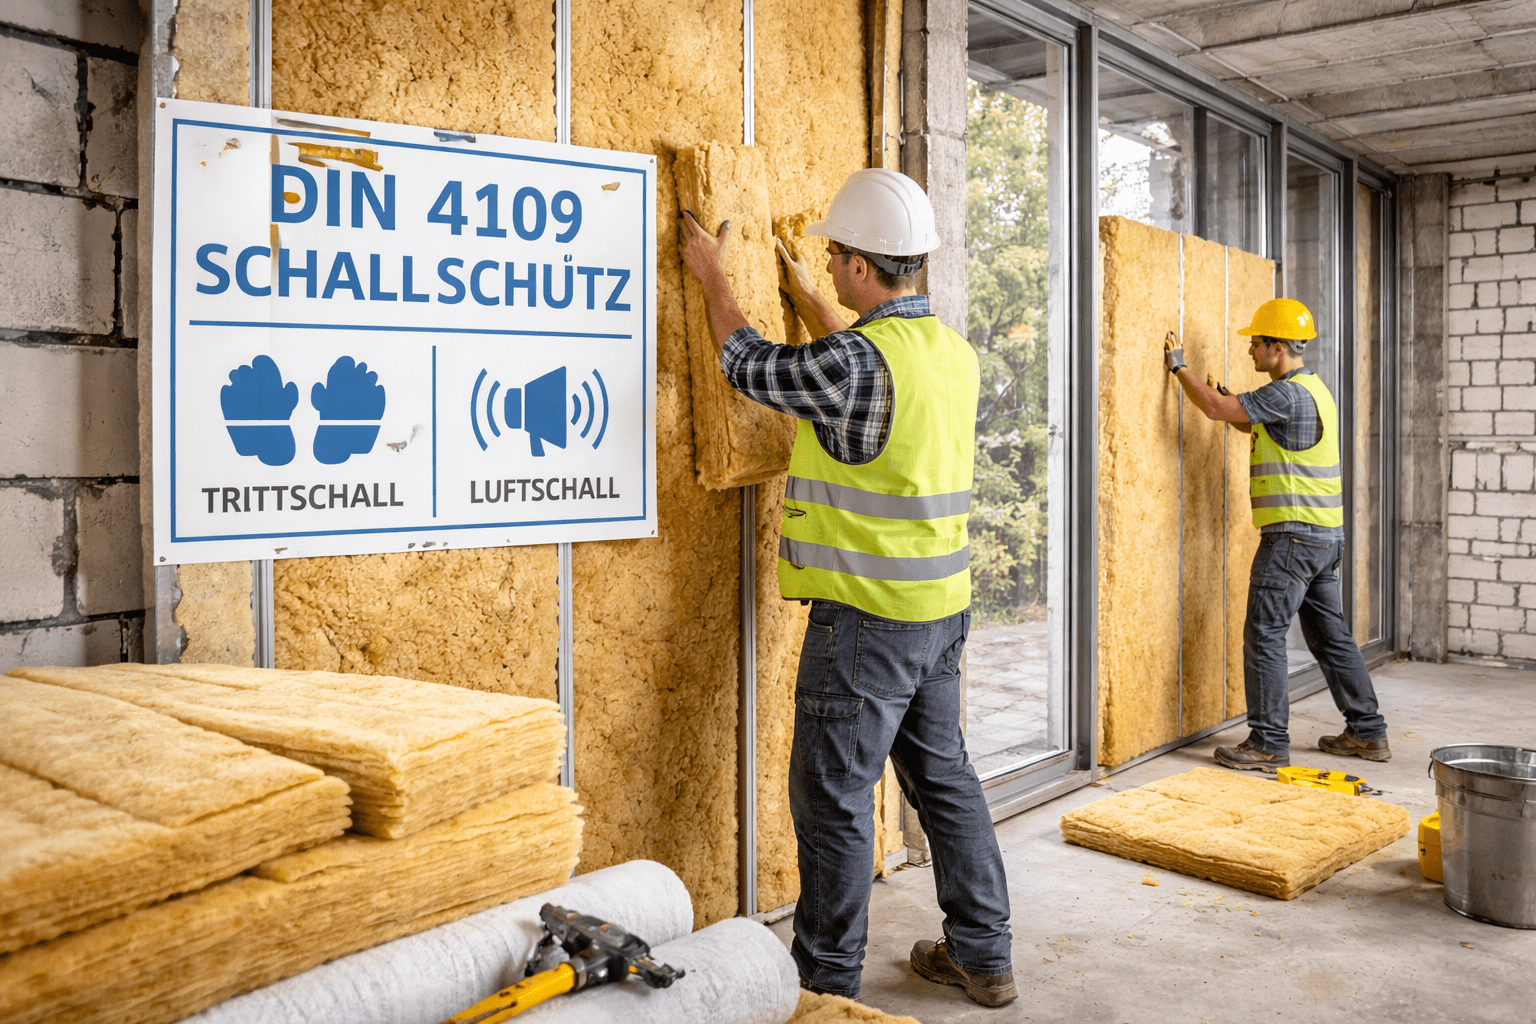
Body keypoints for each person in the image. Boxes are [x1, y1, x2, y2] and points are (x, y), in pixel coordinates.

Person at [678, 168, 1015, 1008]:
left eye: (835, 257)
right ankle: (985, 955)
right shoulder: (949, 354)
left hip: (867, 620)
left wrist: (713, 277)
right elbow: (865, 373)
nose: (827, 267)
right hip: (940, 613)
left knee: (831, 795)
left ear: (866, 267)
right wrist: (811, 302)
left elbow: (747, 364)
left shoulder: (855, 361)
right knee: (946, 780)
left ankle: (825, 983)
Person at [1164, 297, 1390, 772]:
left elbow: (1214, 409)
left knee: (1264, 632)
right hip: (1324, 538)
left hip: (1292, 539)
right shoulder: (1312, 390)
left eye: (1256, 343)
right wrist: (1230, 402)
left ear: (1278, 348)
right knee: (1331, 637)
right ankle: (1367, 733)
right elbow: (1246, 419)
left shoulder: (1285, 393)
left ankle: (1267, 742)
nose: (1250, 351)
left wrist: (1178, 367)